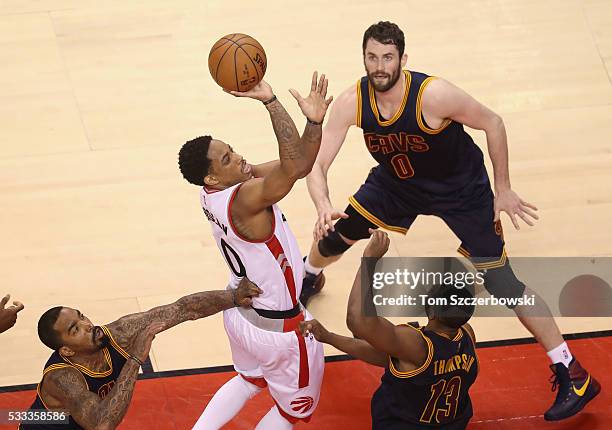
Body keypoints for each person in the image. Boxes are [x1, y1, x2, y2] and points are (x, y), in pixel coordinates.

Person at [301, 21, 600, 421]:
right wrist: (322, 203)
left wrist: (504, 187)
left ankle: (571, 371)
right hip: (398, 183)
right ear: (364, 58)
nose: (379, 66)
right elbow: (315, 164)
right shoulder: (353, 100)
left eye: (387, 57)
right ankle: (308, 275)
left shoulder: (433, 94)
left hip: (462, 189)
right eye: (372, 57)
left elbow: (493, 122)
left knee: (501, 281)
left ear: (403, 60)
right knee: (339, 233)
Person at [178, 72, 332, 429]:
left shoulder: (213, 193)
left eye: (231, 150)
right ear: (213, 177)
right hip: (279, 330)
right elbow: (293, 166)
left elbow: (300, 165)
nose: (239, 157)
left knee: (250, 380)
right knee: (291, 412)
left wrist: (314, 123)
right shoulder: (246, 197)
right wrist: (270, 101)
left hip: (241, 311)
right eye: (228, 159)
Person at [19, 278, 261, 430]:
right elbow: (101, 424)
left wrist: (231, 297)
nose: (87, 325)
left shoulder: (118, 333)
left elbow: (183, 308)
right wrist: (134, 359)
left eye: (81, 316)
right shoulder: (62, 378)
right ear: (67, 350)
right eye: (75, 329)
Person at [301, 230, 478, 429]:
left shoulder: (416, 344)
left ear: (432, 312)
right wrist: (329, 337)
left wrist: (370, 260)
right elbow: (384, 355)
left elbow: (357, 319)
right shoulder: (467, 334)